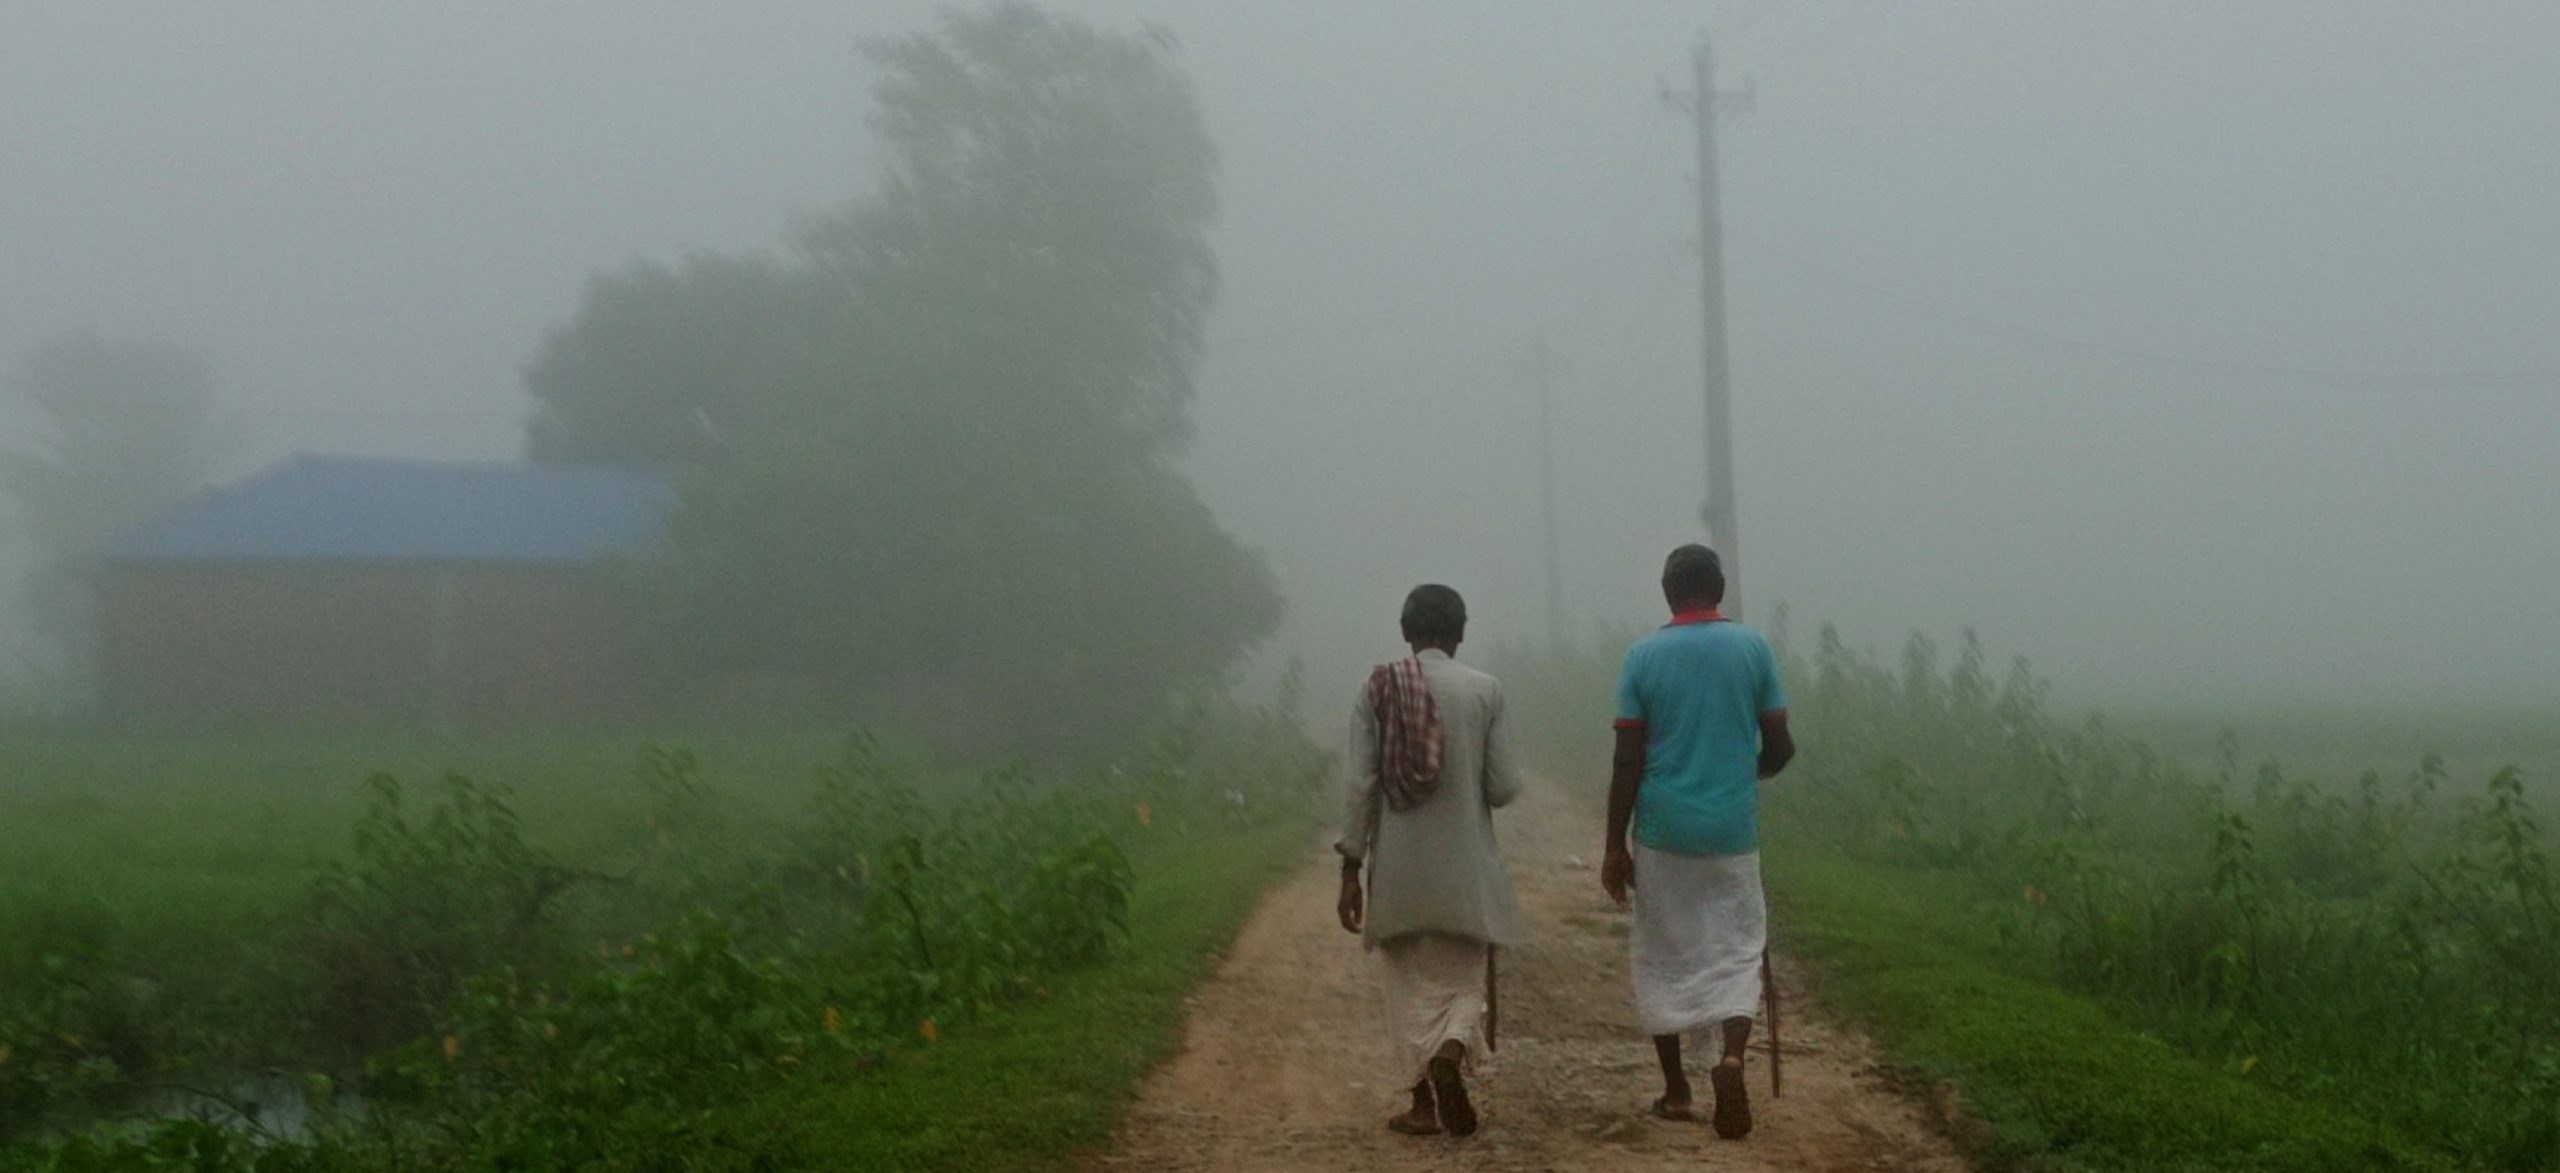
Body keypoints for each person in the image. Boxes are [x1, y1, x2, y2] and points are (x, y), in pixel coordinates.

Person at [1600, 544, 1795, 1139]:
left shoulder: (1643, 656)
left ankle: (1677, 1090)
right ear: (1720, 588)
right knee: (1736, 949)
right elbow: (1781, 747)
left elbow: (1628, 758)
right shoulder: (1753, 648)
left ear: (1667, 591)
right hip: (1732, 832)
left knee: (1664, 952)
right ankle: (1731, 1060)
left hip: (1663, 833)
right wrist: (1744, 772)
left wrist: (1615, 845)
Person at [1335, 584, 1529, 1138]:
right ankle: (1449, 1049)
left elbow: (1359, 786)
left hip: (1398, 871)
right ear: (1461, 633)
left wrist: (1351, 869)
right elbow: (1503, 786)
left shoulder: (1377, 689)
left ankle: (1422, 1106)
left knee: (1407, 989)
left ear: (1405, 631)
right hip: (1466, 872)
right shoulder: (1485, 691)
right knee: (1464, 982)